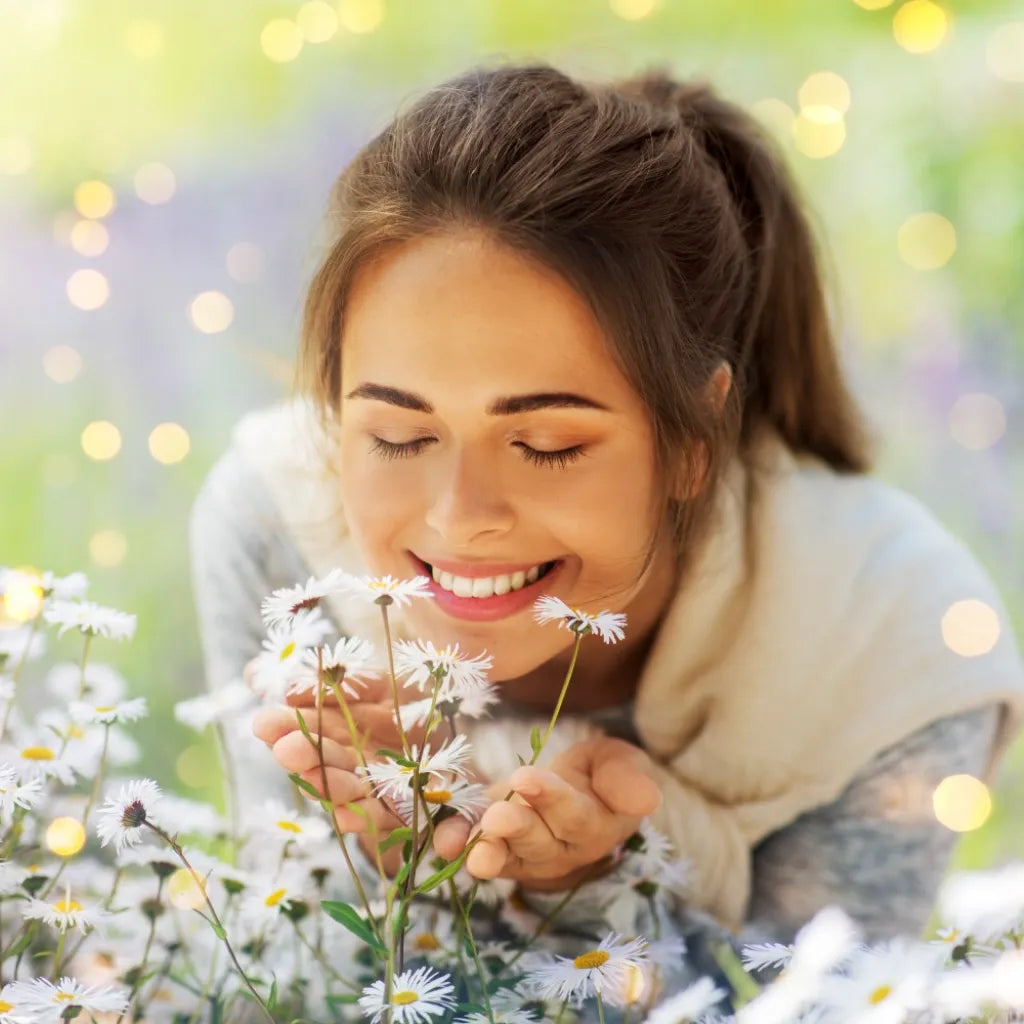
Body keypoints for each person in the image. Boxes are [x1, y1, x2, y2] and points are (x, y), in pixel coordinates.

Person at [188, 61, 1024, 973]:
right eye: (396, 433)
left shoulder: (891, 641)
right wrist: (389, 867)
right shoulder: (278, 522)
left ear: (695, 435)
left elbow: (818, 1001)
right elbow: (275, 967)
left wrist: (585, 888)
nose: (460, 519)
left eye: (545, 443)